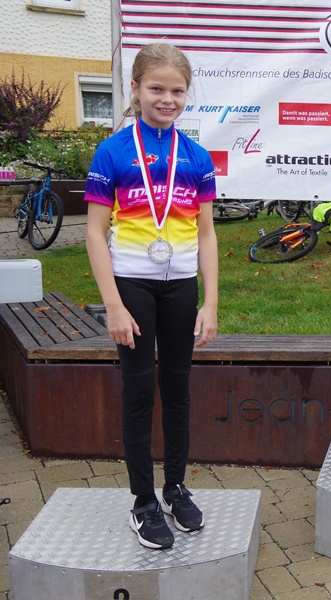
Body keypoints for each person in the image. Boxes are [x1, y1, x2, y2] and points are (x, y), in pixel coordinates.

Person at [84, 43, 218, 549]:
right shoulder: (114, 151)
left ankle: (176, 487)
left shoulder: (197, 156)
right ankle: (143, 501)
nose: (167, 99)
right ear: (135, 88)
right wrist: (114, 305)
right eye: (157, 88)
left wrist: (210, 302)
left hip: (180, 286)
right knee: (140, 391)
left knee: (178, 390)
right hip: (132, 285)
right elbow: (94, 233)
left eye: (177, 90)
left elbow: (207, 234)